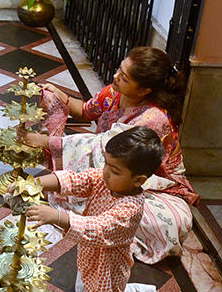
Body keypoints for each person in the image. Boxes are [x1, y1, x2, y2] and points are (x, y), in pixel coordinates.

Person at [18, 47, 198, 264]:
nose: (115, 76)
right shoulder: (115, 93)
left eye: (124, 77)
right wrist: (59, 95)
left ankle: (104, 224)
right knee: (94, 176)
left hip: (150, 182)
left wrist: (47, 142)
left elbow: (104, 148)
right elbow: (85, 111)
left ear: (143, 91)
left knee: (165, 221)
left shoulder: (154, 118)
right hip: (111, 165)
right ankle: (98, 219)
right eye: (119, 70)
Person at [18, 126, 176, 292]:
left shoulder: (130, 209)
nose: (106, 173)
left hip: (107, 266)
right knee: (85, 290)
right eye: (106, 164)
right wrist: (33, 183)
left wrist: (56, 216)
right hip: (90, 256)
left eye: (115, 171)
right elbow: (76, 180)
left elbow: (97, 228)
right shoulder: (106, 181)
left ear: (138, 180)